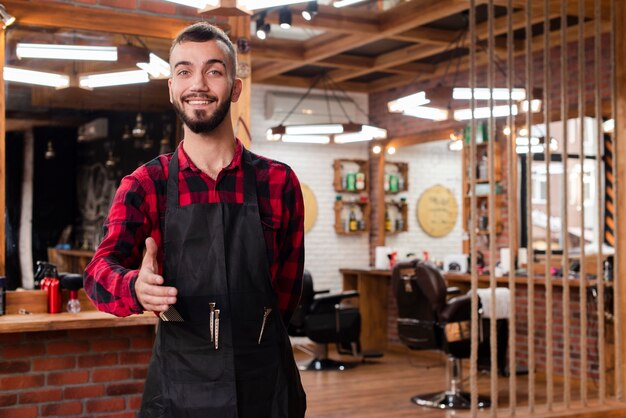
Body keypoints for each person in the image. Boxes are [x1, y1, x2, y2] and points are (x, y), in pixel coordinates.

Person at [83, 22, 306, 418]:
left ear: (235, 88)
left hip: (266, 386)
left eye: (214, 71)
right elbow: (97, 274)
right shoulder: (144, 185)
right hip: (179, 392)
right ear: (171, 87)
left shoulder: (278, 182)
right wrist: (135, 287)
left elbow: (286, 293)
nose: (198, 83)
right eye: (184, 71)